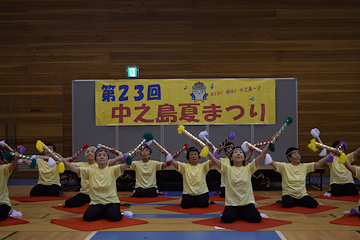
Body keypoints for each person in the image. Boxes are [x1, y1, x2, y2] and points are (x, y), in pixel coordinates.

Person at [62, 148, 130, 221]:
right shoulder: (90, 170)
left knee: (115, 217)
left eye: (104, 155)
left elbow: (125, 166)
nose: (101, 157)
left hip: (112, 202)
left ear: (107, 159)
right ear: (96, 160)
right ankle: (105, 213)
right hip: (96, 203)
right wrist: (62, 160)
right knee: (88, 217)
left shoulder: (113, 169)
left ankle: (109, 212)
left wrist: (129, 159)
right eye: (99, 155)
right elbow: (74, 169)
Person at [208, 145, 269, 223]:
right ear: (231, 158)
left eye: (241, 152)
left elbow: (262, 155)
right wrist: (204, 148)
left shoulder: (249, 168)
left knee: (256, 219)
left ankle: (240, 214)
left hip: (247, 204)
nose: (238, 154)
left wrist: (270, 144)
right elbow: (213, 159)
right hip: (232, 204)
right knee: (226, 219)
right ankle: (238, 214)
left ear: (244, 157)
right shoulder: (227, 169)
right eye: (235, 152)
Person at [0, 151, 18, 221]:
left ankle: (7, 212)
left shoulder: (3, 168)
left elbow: (12, 165)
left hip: (2, 203)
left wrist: (15, 159)